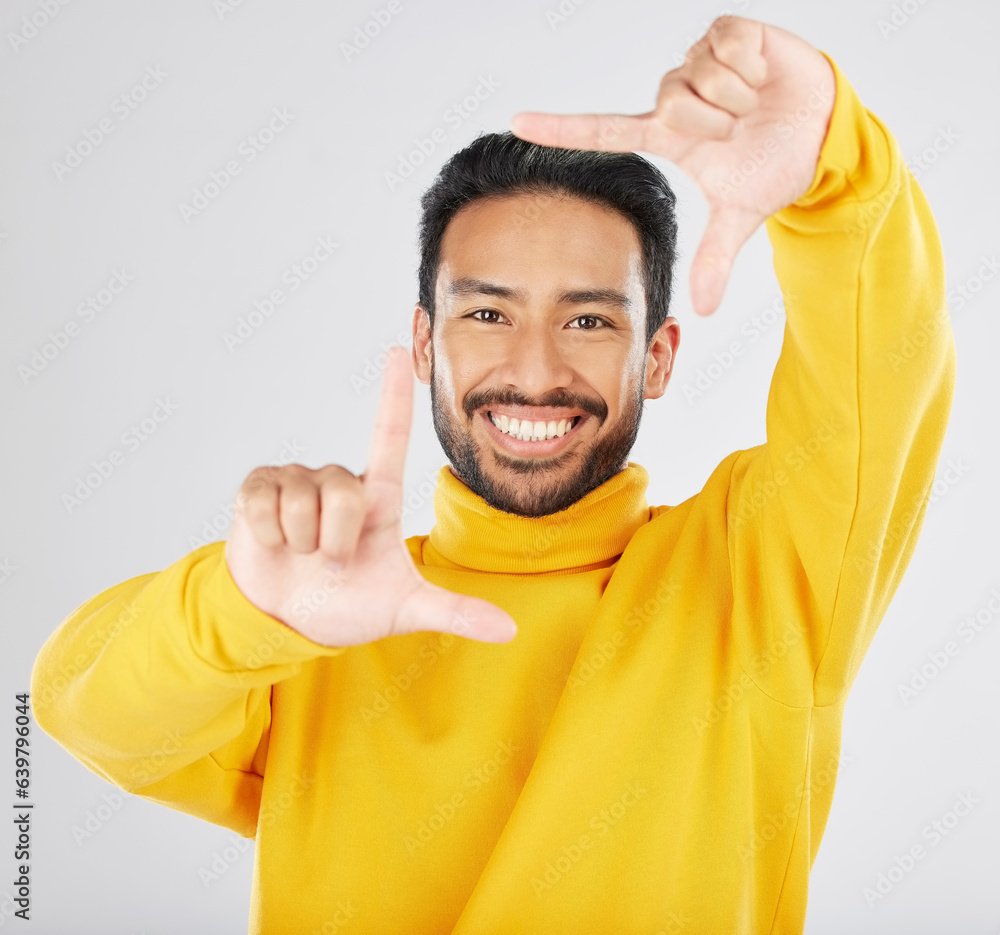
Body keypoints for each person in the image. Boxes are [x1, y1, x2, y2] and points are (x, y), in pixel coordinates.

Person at [32, 14, 956, 934]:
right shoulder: (323, 611)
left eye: (589, 320)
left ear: (660, 356)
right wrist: (241, 610)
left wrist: (836, 168)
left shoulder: (757, 578)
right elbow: (89, 709)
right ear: (425, 342)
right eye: (486, 314)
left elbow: (882, 369)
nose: (535, 369)